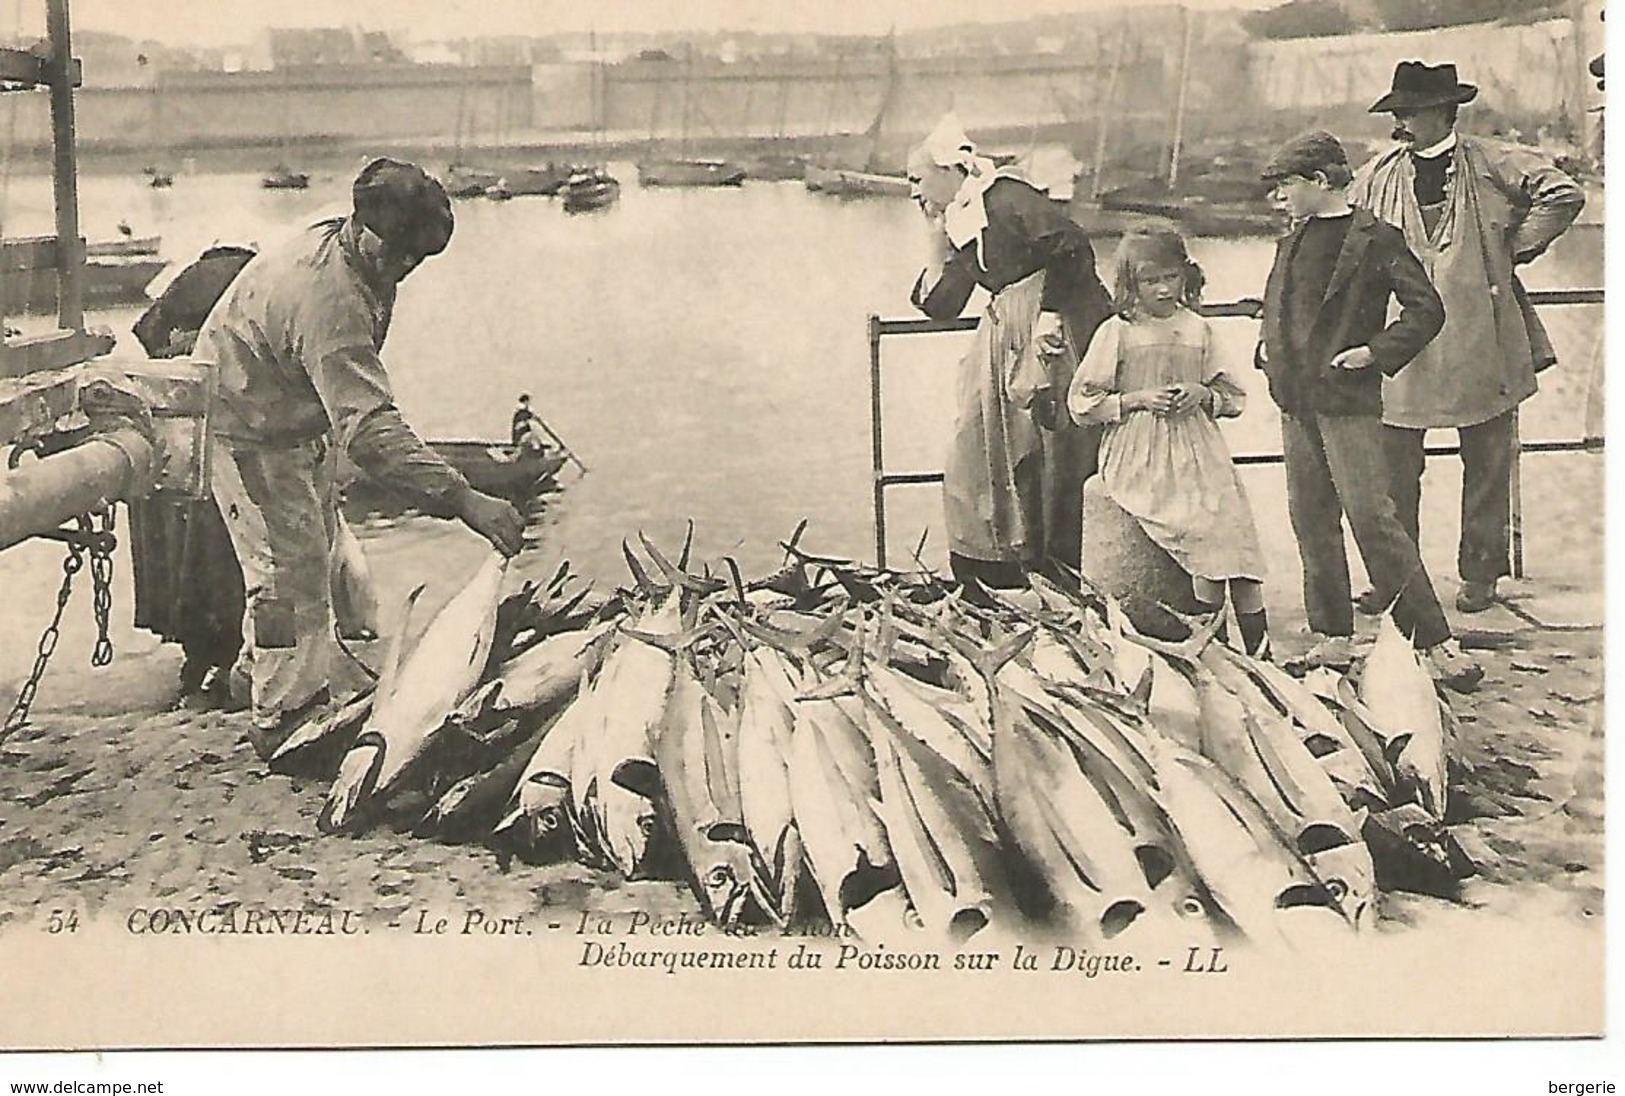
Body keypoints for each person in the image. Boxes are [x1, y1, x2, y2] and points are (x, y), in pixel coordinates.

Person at [194, 157, 526, 756]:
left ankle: (251, 675)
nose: (403, 267)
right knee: (285, 574)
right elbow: (370, 433)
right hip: (245, 423)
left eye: (416, 259)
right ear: (365, 225)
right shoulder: (331, 299)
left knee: (314, 550)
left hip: (293, 410)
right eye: (398, 252)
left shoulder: (354, 248)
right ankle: (280, 718)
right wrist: (463, 499)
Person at [1350, 61, 1585, 613]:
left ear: (1441, 113)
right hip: (1403, 338)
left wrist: (1515, 248)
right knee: (1393, 466)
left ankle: (1480, 573)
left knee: (1487, 459)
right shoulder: (1378, 173)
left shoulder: (1491, 160)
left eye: (1408, 113)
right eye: (1396, 114)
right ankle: (1396, 577)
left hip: (1481, 331)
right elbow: (1341, 223)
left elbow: (1563, 193)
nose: (1400, 124)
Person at [1258, 132, 1480, 688]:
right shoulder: (1292, 239)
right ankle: (1332, 636)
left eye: (1286, 185)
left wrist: (1375, 354)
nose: (1278, 196)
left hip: (1348, 400)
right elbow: (1280, 304)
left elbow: (1426, 309)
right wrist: (1267, 349)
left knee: (1372, 520)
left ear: (1318, 181)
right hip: (1296, 398)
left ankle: (1433, 642)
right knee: (1311, 520)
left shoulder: (1376, 238)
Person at [907, 112, 1114, 593]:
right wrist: (934, 241)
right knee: (975, 445)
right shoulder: (963, 216)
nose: (914, 191)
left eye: (917, 179)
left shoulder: (1005, 196)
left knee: (1055, 452)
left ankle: (1061, 575)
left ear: (949, 170)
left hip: (1055, 330)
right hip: (1007, 338)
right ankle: (991, 564)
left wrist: (1050, 312)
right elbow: (943, 305)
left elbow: (1071, 245)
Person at [1066, 226, 1270, 657]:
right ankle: (1214, 646)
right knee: (1203, 534)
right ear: (1131, 283)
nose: (1162, 289)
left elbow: (1234, 397)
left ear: (1185, 276)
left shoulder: (1197, 329)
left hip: (1197, 445)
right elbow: (1082, 403)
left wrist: (1204, 394)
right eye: (1150, 280)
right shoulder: (1117, 331)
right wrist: (1137, 399)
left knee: (1237, 539)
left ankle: (1259, 653)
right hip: (1140, 449)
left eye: (1170, 278)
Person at [128, 243, 259, 709]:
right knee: (227, 553)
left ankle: (197, 659)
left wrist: (179, 353)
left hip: (178, 431)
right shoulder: (250, 275)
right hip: (227, 431)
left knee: (185, 551)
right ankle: (225, 663)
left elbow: (148, 338)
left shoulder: (189, 280)